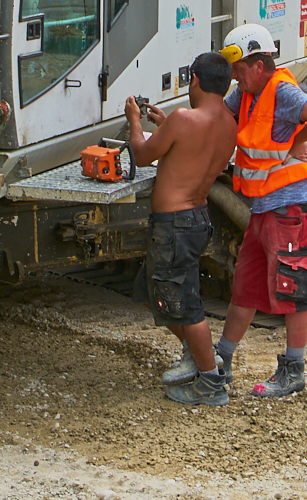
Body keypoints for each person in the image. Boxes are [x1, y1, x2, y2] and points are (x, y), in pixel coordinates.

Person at [214, 23, 307, 398]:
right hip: (264, 207)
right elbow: (217, 118)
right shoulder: (246, 94)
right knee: (246, 286)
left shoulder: (281, 91)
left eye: (239, 69)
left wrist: (298, 142)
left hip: (288, 207)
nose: (235, 77)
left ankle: (294, 370)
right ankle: (221, 358)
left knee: (293, 286)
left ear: (258, 64)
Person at [125, 52, 239, 407]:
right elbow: (190, 151)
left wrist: (134, 121)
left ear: (194, 80)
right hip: (197, 218)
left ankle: (210, 382)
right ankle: (198, 355)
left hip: (173, 224)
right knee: (148, 291)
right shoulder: (228, 124)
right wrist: (165, 126)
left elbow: (143, 155)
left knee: (186, 305)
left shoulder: (183, 118)